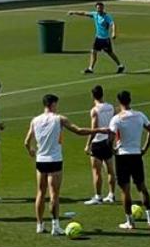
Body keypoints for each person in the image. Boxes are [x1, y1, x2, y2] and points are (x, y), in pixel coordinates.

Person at [24, 93, 107, 235]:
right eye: (56, 104)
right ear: (52, 104)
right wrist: (99, 130)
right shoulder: (59, 119)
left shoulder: (35, 120)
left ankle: (39, 225)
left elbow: (26, 142)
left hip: (41, 161)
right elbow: (79, 131)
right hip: (55, 160)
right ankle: (55, 226)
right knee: (54, 195)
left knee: (40, 193)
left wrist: (31, 150)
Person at [108, 90, 150, 229]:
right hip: (136, 155)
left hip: (122, 156)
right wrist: (144, 148)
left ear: (119, 102)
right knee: (142, 187)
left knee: (125, 190)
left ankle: (130, 222)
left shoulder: (117, 119)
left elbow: (110, 138)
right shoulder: (140, 115)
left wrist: (112, 150)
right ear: (130, 100)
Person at [68, 2, 125, 75]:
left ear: (103, 8)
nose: (99, 9)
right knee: (93, 52)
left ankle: (120, 65)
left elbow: (112, 23)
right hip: (98, 38)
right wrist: (73, 12)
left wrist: (113, 32)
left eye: (100, 8)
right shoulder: (95, 14)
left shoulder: (106, 16)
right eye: (98, 8)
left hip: (105, 39)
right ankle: (90, 68)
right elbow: (84, 13)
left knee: (110, 53)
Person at [85, 84, 117, 204]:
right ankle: (112, 194)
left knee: (96, 171)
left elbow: (94, 128)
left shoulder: (95, 110)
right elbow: (114, 125)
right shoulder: (111, 107)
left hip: (97, 142)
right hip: (108, 141)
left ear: (93, 96)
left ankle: (98, 196)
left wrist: (88, 144)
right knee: (110, 170)